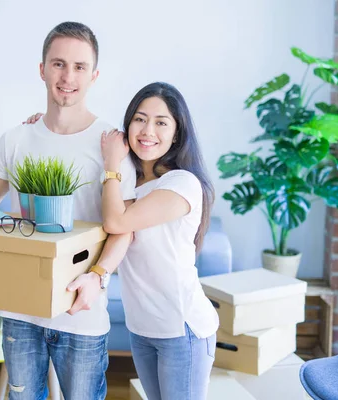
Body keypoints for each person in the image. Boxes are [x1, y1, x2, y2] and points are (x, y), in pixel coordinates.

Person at [0, 21, 136, 400]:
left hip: (82, 311)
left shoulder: (112, 143)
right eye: (58, 64)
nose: (68, 76)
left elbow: (123, 227)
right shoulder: (16, 138)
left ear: (94, 76)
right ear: (42, 70)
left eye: (79, 67)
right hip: (19, 308)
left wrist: (98, 277)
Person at [100, 82, 219, 400]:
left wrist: (111, 166)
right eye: (139, 119)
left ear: (177, 133)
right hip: (142, 327)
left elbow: (116, 222)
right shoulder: (130, 184)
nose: (147, 130)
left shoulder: (182, 183)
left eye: (161, 122)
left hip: (182, 330)